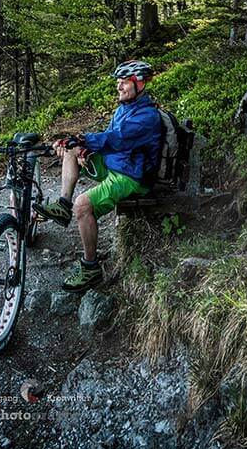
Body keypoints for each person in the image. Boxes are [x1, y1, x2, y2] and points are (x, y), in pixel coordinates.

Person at [37, 60, 162, 292]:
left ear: (140, 83)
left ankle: (90, 268)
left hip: (131, 176)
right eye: (118, 83)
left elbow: (117, 139)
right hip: (117, 163)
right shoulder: (124, 108)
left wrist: (84, 140)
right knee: (73, 152)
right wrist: (84, 148)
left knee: (83, 205)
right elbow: (109, 136)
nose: (119, 87)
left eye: (124, 82)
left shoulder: (147, 117)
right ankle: (63, 205)